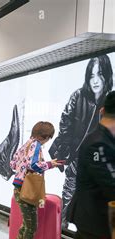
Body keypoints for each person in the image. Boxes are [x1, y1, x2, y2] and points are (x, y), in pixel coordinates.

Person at [22, 91, 115, 239]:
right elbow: (110, 186)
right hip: (96, 221)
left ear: (102, 110)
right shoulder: (98, 144)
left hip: (88, 218)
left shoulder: (100, 140)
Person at [50, 55, 113, 230]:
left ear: (106, 75)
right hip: (77, 154)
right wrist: (64, 150)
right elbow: (66, 123)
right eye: (91, 76)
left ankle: (79, 229)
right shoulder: (79, 95)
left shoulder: (109, 100)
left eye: (99, 74)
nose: (95, 81)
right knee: (70, 189)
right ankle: (60, 227)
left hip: (97, 158)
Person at [8, 122, 62, 239]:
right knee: (32, 226)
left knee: (27, 223)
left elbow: (13, 163)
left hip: (19, 188)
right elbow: (34, 165)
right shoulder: (36, 145)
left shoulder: (27, 144)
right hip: (28, 190)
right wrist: (50, 164)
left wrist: (22, 170)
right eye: (48, 138)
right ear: (45, 136)